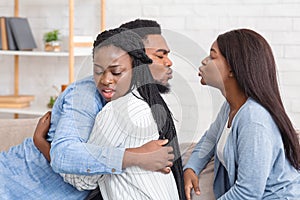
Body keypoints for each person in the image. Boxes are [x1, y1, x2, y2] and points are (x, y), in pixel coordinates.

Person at [0, 22, 175, 200]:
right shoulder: (86, 94)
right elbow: (64, 155)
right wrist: (135, 156)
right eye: (159, 55)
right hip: (12, 183)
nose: (167, 62)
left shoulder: (137, 103)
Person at [60, 27, 181, 199]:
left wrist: (47, 149)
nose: (106, 80)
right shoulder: (146, 103)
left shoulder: (116, 112)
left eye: (116, 72)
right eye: (98, 71)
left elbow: (83, 180)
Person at [183, 28, 300, 199]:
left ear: (232, 68)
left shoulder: (253, 119)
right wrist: (191, 168)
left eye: (212, 56)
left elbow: (248, 193)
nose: (204, 61)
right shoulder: (231, 107)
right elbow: (210, 139)